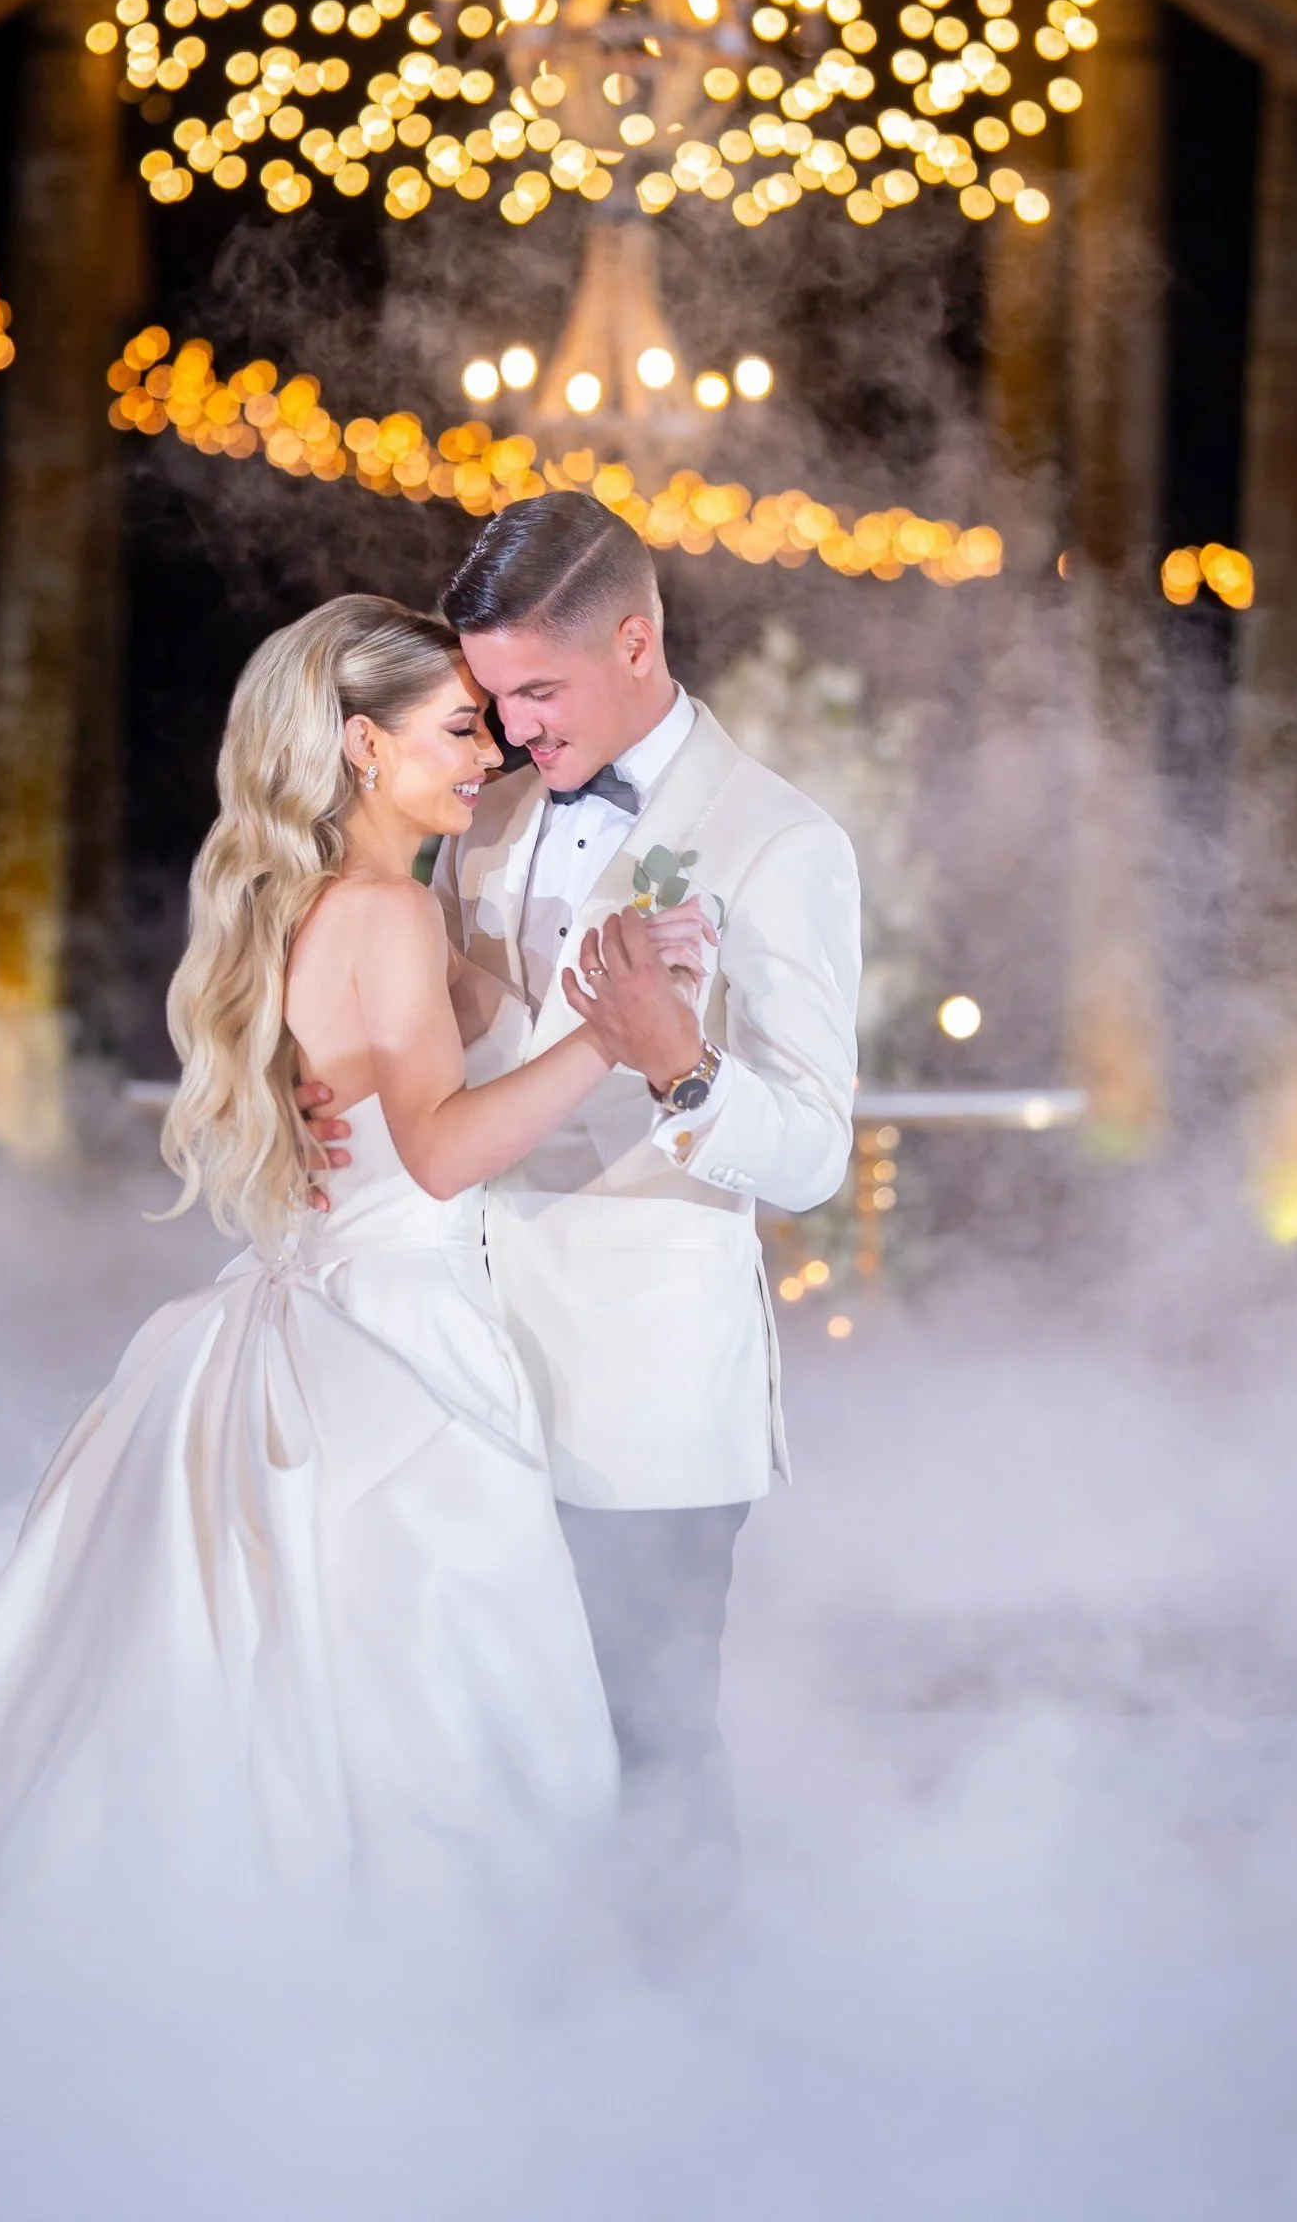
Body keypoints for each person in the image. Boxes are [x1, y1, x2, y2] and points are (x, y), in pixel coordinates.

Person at [0, 595, 700, 1974]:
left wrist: (576, 986)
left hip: (308, 1324)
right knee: (435, 1717)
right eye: (458, 728)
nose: (487, 754)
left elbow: (399, 1102)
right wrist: (616, 1041)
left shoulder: (323, 904)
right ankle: (441, 2014)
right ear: (357, 747)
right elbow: (441, 1158)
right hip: (393, 1349)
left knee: (295, 1709)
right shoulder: (383, 913)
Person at [302, 495, 862, 1938]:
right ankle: (523, 2070)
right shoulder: (478, 814)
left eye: (534, 693)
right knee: (480, 1736)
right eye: (487, 699)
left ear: (634, 638)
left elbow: (805, 1150)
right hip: (456, 1357)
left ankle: (679, 2083)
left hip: (641, 1393)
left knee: (645, 1745)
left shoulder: (777, 842)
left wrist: (676, 1059)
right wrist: (341, 1089)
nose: (507, 731)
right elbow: (454, 1031)